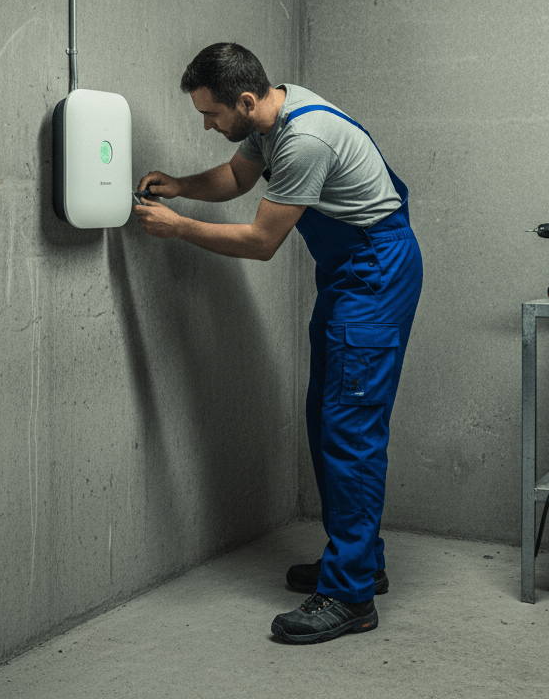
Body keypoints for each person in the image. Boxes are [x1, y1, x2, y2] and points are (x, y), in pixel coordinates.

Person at [135, 42, 423, 645]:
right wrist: (180, 186)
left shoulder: (304, 140)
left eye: (211, 114)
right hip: (349, 273)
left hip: (374, 273)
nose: (207, 125)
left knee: (350, 429)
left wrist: (178, 228)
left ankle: (351, 596)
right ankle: (360, 562)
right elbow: (237, 177)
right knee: (328, 417)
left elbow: (262, 242)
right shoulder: (272, 116)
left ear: (245, 100)